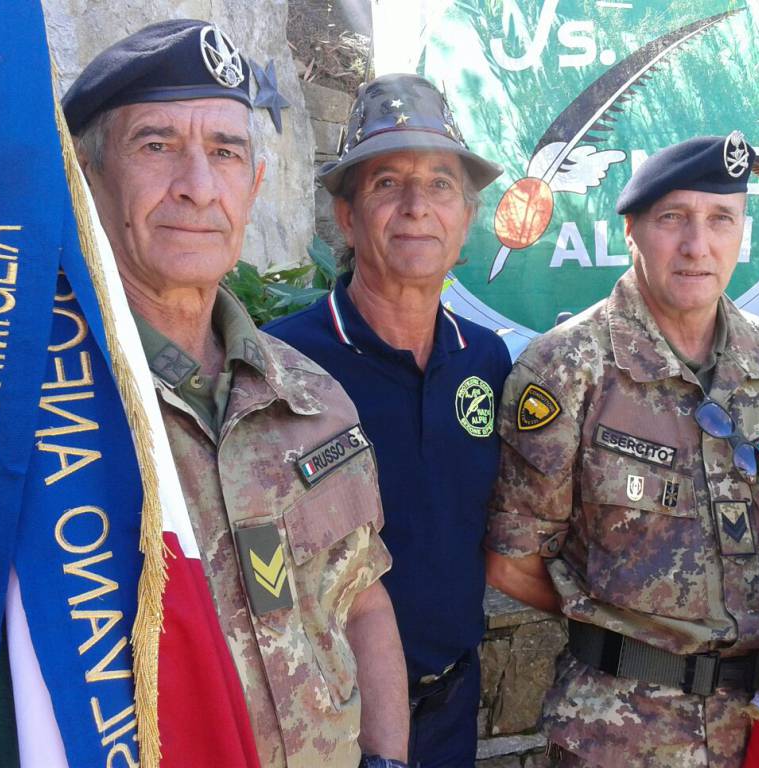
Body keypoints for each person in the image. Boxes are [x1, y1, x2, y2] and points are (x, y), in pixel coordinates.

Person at [62, 20, 408, 767]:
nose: (197, 184)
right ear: (87, 177)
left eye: (225, 151)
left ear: (253, 185)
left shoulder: (313, 398)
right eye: (156, 145)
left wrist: (385, 758)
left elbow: (361, 599)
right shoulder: (49, 413)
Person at [484, 134, 759, 767]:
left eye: (720, 219)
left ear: (742, 234)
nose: (697, 246)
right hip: (621, 735)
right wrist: (641, 631)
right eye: (673, 218)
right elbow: (512, 562)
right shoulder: (566, 371)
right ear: (632, 231)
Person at [265, 73, 512, 767]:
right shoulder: (284, 364)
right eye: (385, 184)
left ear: (466, 219)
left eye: (440, 185)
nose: (415, 207)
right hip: (323, 721)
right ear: (345, 218)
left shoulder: (485, 361)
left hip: (451, 707)